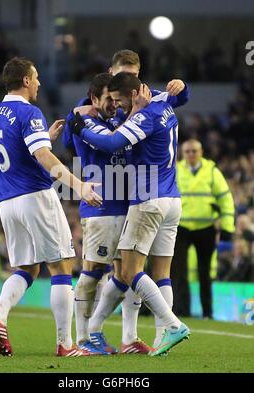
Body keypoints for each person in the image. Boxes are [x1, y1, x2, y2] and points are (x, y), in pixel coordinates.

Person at [64, 49, 190, 353]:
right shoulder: (96, 108)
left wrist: (182, 87)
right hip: (138, 200)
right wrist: (75, 123)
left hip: (144, 199)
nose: (116, 105)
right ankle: (91, 335)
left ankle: (152, 330)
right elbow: (72, 141)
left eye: (134, 76)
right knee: (128, 272)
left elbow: (113, 141)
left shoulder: (146, 109)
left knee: (131, 271)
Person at [0, 57, 102, 357]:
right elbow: (43, 158)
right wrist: (80, 186)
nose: (38, 83)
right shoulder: (29, 111)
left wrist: (45, 139)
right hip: (35, 196)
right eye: (35, 78)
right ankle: (65, 344)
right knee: (62, 265)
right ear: (25, 80)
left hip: (7, 202)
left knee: (27, 267)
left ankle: (0, 315)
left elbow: (17, 150)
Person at [171, 139, 235, 318]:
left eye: (194, 151)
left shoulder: (212, 172)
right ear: (183, 154)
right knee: (178, 272)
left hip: (205, 228)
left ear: (201, 152)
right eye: (188, 151)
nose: (191, 154)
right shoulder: (175, 170)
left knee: (205, 273)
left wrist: (227, 228)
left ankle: (207, 312)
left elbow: (226, 200)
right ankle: (182, 312)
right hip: (181, 227)